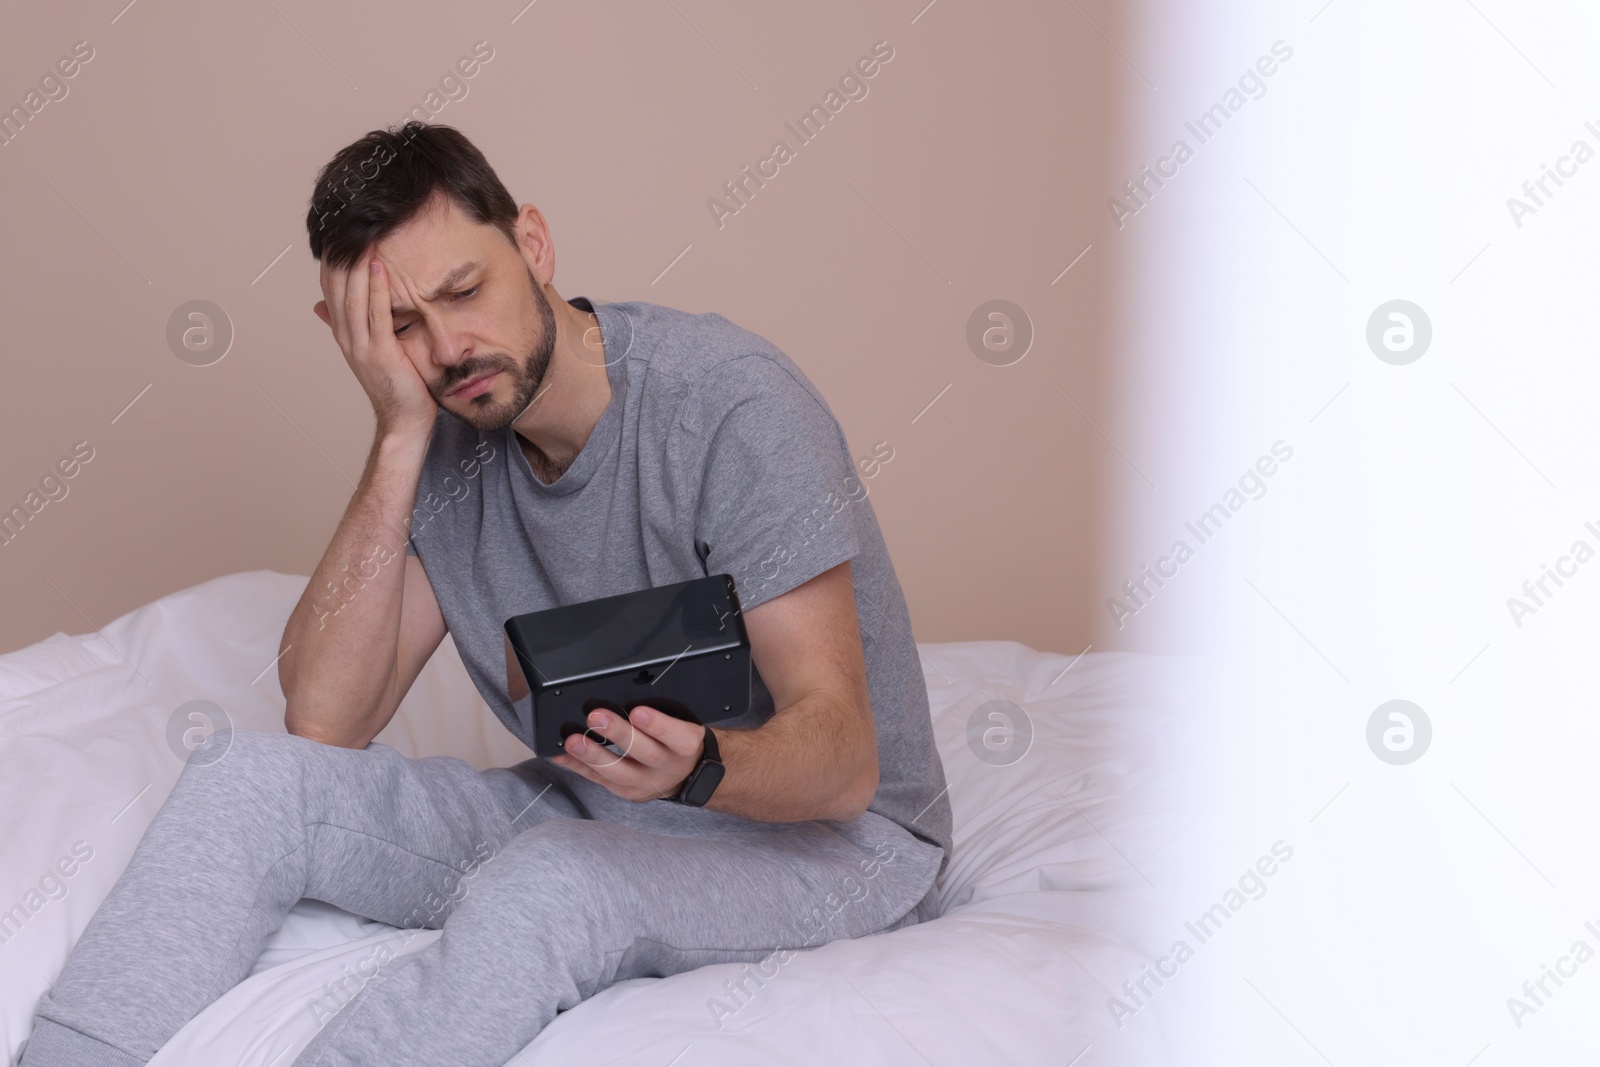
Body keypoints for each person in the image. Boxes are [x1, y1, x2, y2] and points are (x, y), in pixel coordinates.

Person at [19, 122, 952, 1067]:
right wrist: (396, 429)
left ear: (533, 245)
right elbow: (327, 721)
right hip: (598, 803)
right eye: (402, 326)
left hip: (834, 845)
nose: (450, 345)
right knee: (247, 783)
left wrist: (697, 766)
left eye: (465, 291)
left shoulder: (729, 408)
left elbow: (844, 763)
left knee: (551, 883)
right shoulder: (445, 436)